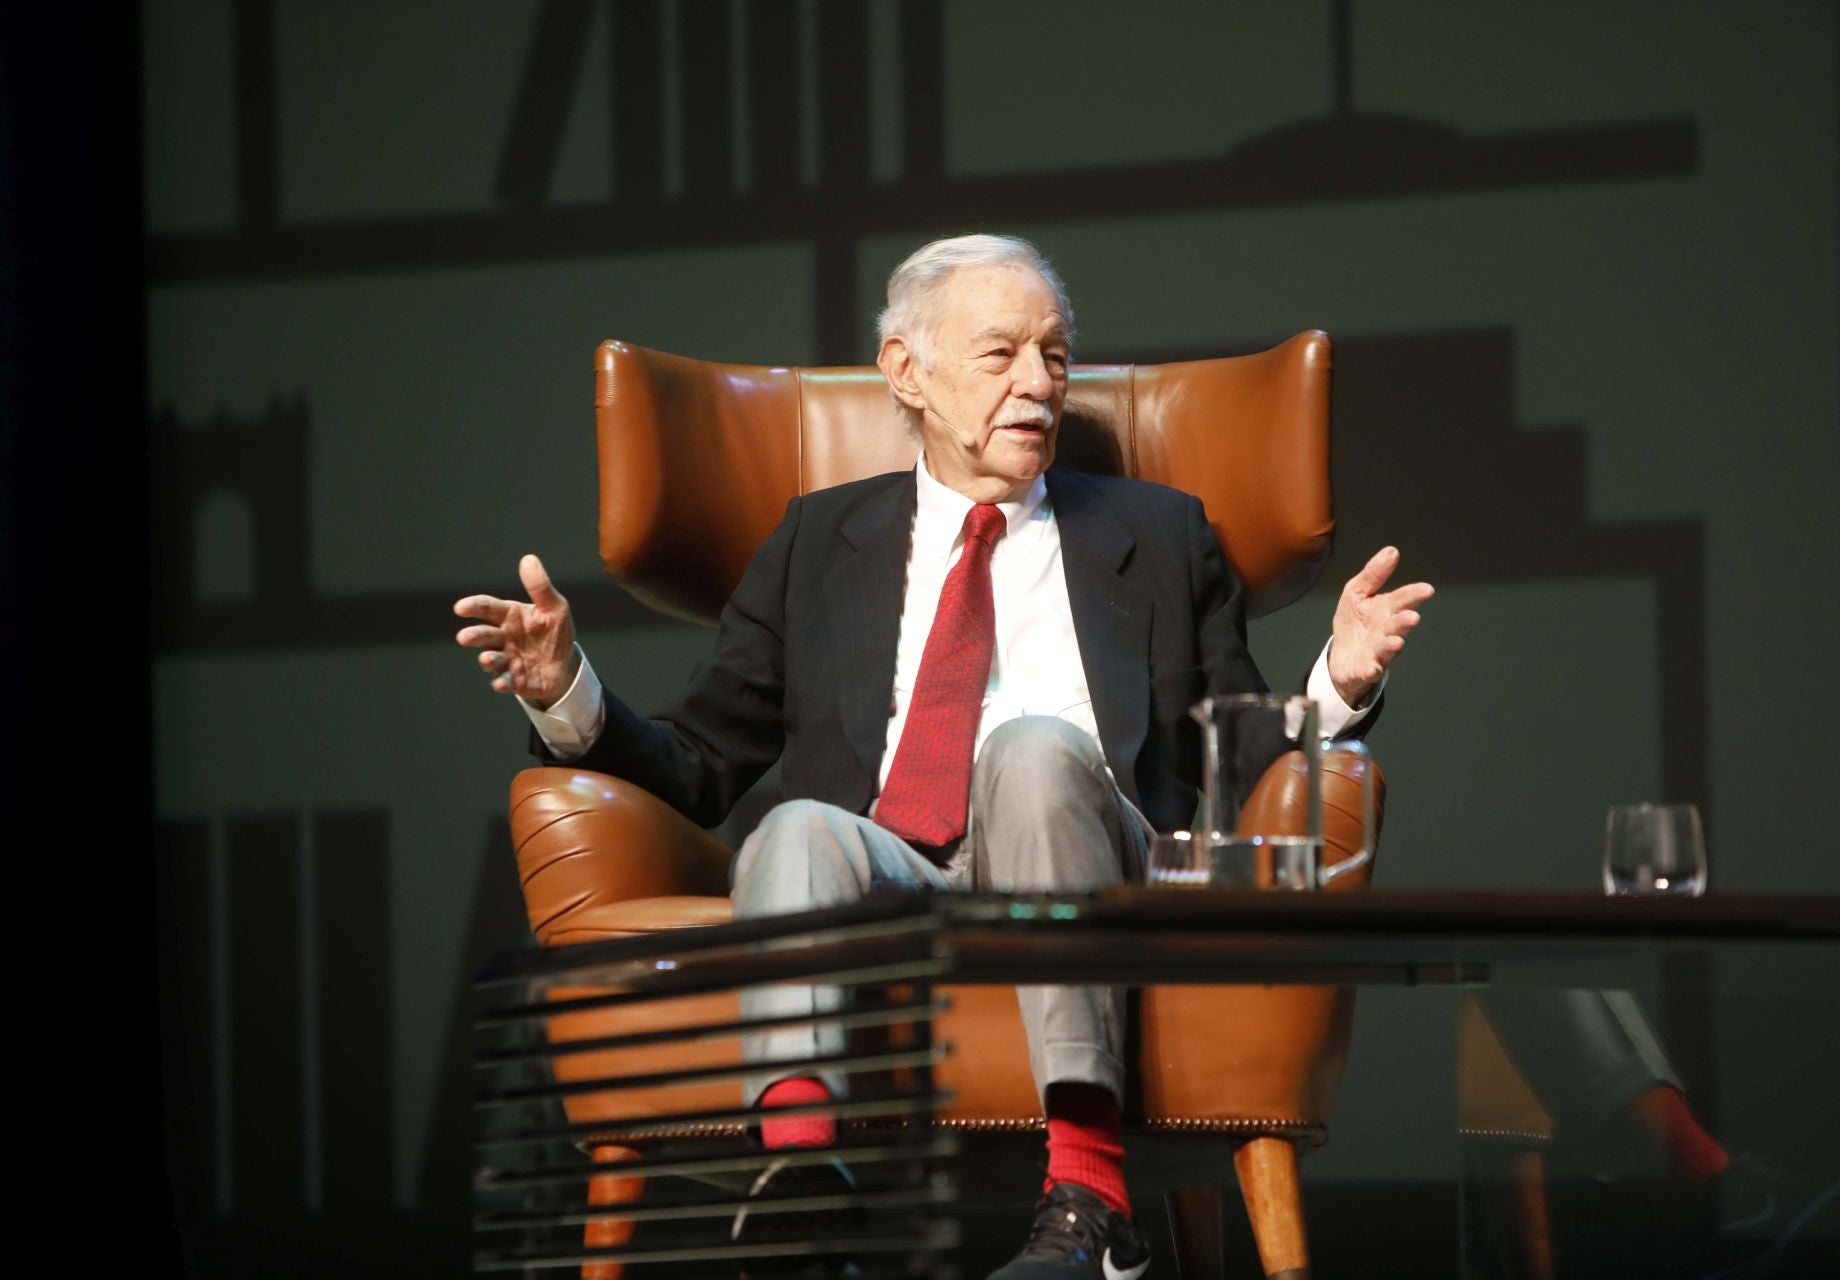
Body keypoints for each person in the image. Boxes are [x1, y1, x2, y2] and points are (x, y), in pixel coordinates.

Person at [454, 234, 1433, 1279]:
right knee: (791, 829)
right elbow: (700, 760)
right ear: (905, 373)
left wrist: (1340, 678)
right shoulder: (815, 543)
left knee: (1031, 749)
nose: (1038, 384)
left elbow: (1234, 747)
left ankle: (1091, 1195)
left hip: (1092, 859)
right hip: (894, 873)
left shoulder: (1159, 533)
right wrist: (565, 687)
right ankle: (802, 1193)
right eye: (1001, 353)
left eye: (1056, 356)